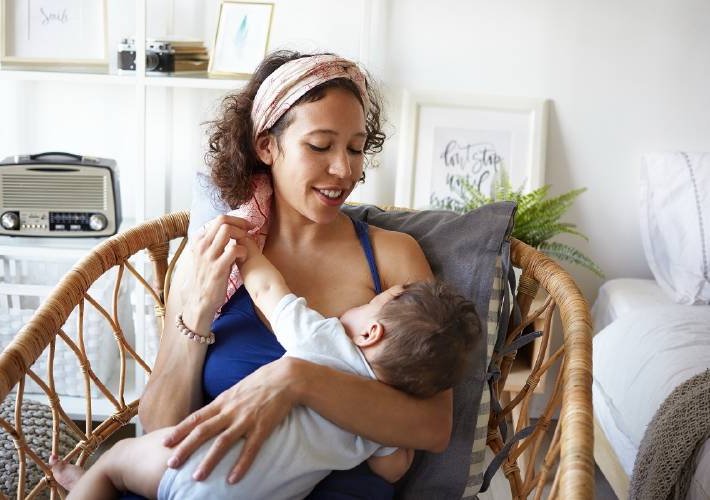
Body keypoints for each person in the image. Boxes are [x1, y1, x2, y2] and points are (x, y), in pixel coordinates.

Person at [133, 50, 456, 499]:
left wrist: (295, 381)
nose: (344, 170)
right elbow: (158, 429)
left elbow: (433, 426)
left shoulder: (392, 257)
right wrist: (199, 313)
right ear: (267, 146)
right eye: (320, 146)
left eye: (356, 148)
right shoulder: (214, 255)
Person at [51, 234, 482, 499]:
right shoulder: (380, 420)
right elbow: (393, 468)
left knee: (115, 461)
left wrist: (248, 252)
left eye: (375, 302)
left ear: (370, 333)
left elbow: (268, 290)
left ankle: (89, 485)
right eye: (321, 146)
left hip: (200, 467)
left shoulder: (323, 339)